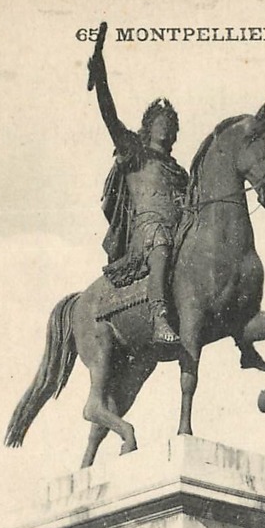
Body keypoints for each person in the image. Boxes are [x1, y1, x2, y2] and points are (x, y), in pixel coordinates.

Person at [87, 21, 188, 345]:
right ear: (148, 126)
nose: (164, 128)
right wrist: (100, 75)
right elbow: (109, 115)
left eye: (169, 124)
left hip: (178, 227)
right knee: (160, 244)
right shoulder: (136, 152)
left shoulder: (179, 170)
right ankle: (159, 318)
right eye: (159, 122)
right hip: (147, 230)